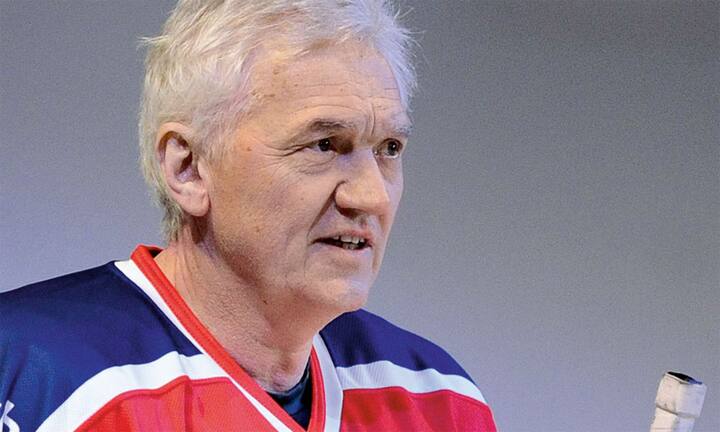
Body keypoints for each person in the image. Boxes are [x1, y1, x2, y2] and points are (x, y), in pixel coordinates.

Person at [0, 1, 496, 430]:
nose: (372, 196)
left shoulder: (439, 398)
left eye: (389, 148)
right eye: (324, 145)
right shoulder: (33, 375)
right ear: (189, 168)